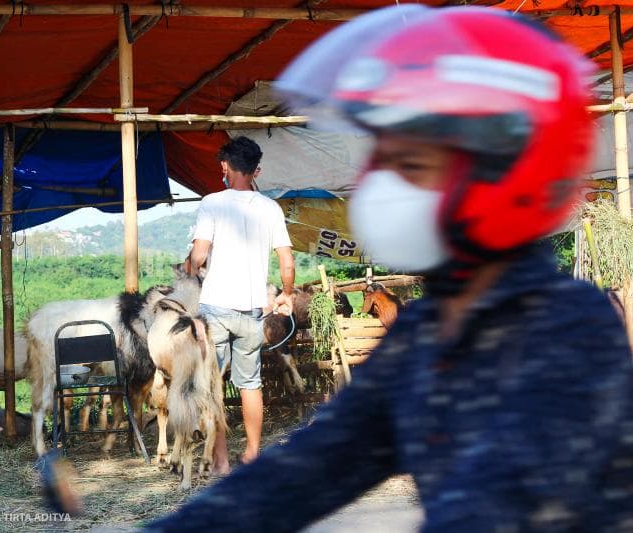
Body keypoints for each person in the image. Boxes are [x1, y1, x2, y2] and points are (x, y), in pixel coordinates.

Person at [148, 6, 633, 532]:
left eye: (415, 159)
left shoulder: (568, 324)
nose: (390, 179)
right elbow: (298, 475)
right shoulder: (427, 335)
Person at [187, 135, 295, 472]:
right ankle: (251, 454)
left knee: (213, 383)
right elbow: (287, 263)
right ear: (256, 170)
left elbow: (200, 254)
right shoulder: (271, 208)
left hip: (216, 308)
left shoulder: (212, 202)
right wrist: (286, 295)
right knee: (251, 384)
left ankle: (220, 459)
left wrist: (192, 266)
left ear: (224, 167)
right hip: (252, 312)